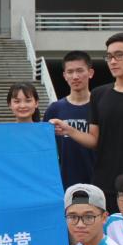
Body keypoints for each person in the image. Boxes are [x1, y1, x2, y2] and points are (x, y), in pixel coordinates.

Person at [50, 33, 123, 216]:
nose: (113, 61)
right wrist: (69, 130)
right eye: (109, 56)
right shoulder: (99, 95)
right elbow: (94, 140)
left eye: (119, 55)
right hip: (103, 186)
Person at [4, 82, 41, 245]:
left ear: (36, 103)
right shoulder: (2, 134)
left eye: (27, 100)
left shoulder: (44, 132)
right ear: (10, 105)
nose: (22, 105)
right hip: (10, 207)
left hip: (37, 208)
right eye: (17, 101)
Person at [44, 51, 97, 190]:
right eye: (70, 72)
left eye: (80, 71)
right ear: (64, 75)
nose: (75, 76)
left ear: (90, 73)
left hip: (98, 181)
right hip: (64, 183)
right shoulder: (54, 109)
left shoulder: (101, 106)